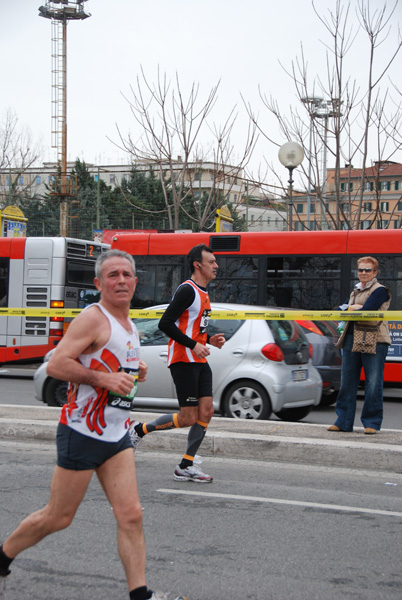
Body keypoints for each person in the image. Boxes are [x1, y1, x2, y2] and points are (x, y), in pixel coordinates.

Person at [0, 249, 187, 600]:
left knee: (131, 515)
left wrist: (134, 374)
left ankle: (140, 594)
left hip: (117, 435)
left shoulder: (130, 325)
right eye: (112, 275)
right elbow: (56, 364)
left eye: (126, 274)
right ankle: (2, 557)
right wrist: (103, 380)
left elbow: (114, 367)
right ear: (99, 283)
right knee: (58, 517)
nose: (121, 280)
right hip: (81, 432)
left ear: (136, 280)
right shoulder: (92, 318)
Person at [129, 244, 225, 482]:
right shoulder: (187, 290)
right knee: (187, 418)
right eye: (211, 261)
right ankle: (139, 430)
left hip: (199, 360)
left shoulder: (203, 292)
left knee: (207, 411)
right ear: (197, 264)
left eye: (215, 261)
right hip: (183, 360)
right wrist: (193, 345)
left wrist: (209, 339)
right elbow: (166, 324)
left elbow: (193, 328)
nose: (216, 265)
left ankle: (186, 465)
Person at [328, 256, 391, 435]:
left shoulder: (380, 291)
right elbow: (338, 311)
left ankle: (371, 423)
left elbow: (366, 312)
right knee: (347, 382)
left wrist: (353, 308)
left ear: (375, 272)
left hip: (375, 340)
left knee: (373, 383)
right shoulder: (355, 290)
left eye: (367, 270)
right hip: (350, 338)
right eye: (361, 270)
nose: (363, 273)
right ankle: (343, 422)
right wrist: (352, 308)